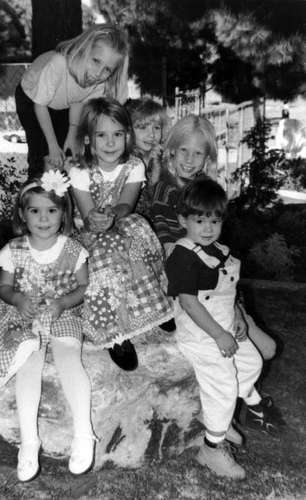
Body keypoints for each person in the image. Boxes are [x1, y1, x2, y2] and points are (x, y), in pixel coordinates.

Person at [0, 171, 97, 481]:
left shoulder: (72, 249)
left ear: (64, 214)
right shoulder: (14, 249)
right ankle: (29, 442)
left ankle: (84, 433)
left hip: (62, 313)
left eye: (52, 210)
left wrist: (62, 304)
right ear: (22, 215)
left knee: (69, 357)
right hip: (25, 315)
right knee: (29, 364)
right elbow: (3, 286)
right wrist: (16, 298)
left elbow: (83, 287)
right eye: (35, 211)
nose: (44, 218)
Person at [165, 178, 284, 479]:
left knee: (252, 362)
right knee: (223, 384)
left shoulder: (219, 250)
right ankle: (211, 448)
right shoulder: (183, 256)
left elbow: (226, 293)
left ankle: (225, 414)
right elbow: (190, 304)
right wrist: (218, 335)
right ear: (183, 220)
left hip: (226, 325)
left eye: (214, 221)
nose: (208, 228)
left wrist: (238, 318)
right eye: (200, 220)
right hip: (200, 333)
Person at [150, 114, 279, 363]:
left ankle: (239, 317)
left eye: (198, 154)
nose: (189, 160)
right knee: (256, 349)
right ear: (172, 151)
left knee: (267, 348)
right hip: (187, 268)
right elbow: (163, 227)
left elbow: (218, 242)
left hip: (214, 274)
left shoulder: (206, 187)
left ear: (207, 157)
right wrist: (170, 251)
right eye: (183, 151)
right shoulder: (164, 187)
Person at [68, 96, 174, 371]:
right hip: (89, 230)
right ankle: (114, 334)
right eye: (101, 135)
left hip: (120, 219)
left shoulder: (133, 166)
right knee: (103, 256)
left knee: (138, 229)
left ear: (127, 137)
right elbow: (87, 213)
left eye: (117, 134)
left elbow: (127, 202)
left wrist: (114, 214)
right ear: (89, 139)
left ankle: (155, 304)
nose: (110, 142)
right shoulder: (80, 170)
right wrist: (97, 218)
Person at [15, 24, 129, 179]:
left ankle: (61, 197)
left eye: (107, 69)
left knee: (66, 155)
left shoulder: (100, 83)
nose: (98, 73)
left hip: (63, 103)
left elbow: (78, 101)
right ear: (85, 50)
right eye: (96, 61)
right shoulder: (59, 63)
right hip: (31, 99)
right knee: (44, 154)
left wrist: (72, 132)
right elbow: (40, 105)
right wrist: (53, 146)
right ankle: (35, 196)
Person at [125, 97, 169, 219]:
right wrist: (146, 159)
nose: (151, 135)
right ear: (128, 130)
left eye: (157, 128)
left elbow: (152, 190)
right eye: (142, 127)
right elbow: (129, 185)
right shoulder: (127, 155)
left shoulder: (158, 153)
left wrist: (156, 171)